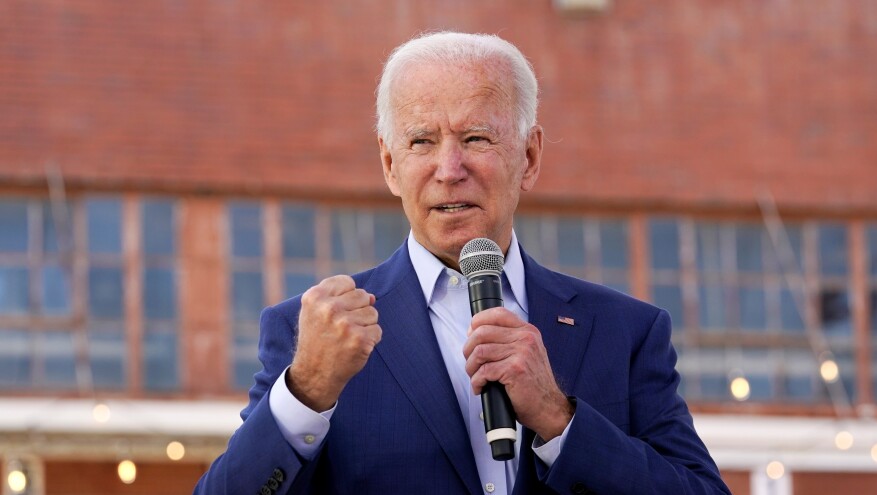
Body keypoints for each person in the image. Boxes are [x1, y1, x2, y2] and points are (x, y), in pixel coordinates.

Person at [195, 31, 731, 495]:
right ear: (389, 164)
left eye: (476, 138)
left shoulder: (625, 331)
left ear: (529, 157)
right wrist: (306, 392)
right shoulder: (312, 333)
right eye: (422, 141)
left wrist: (558, 419)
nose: (449, 169)